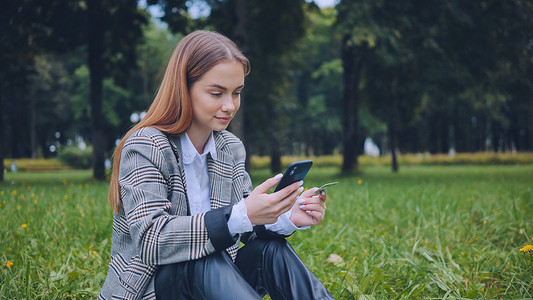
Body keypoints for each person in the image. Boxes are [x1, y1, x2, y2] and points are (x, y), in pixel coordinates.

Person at [98, 30, 335, 300]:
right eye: (216, 93)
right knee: (202, 256)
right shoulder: (146, 145)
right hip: (155, 288)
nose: (229, 105)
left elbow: (244, 225)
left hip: (216, 283)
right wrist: (240, 214)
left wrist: (287, 217)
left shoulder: (230, 148)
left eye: (236, 93)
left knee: (271, 250)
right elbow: (153, 240)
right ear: (183, 88)